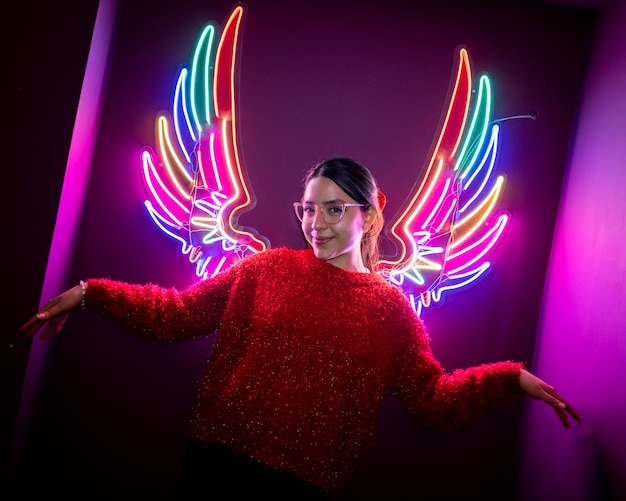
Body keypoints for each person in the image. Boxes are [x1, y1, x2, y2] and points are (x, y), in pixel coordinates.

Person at [19, 157, 580, 499]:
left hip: (304, 488)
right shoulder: (266, 269)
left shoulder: (391, 311)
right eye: (309, 210)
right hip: (217, 461)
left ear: (369, 213)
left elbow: (431, 400)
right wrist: (93, 293)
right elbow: (179, 315)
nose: (318, 224)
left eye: (335, 209)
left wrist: (511, 380)